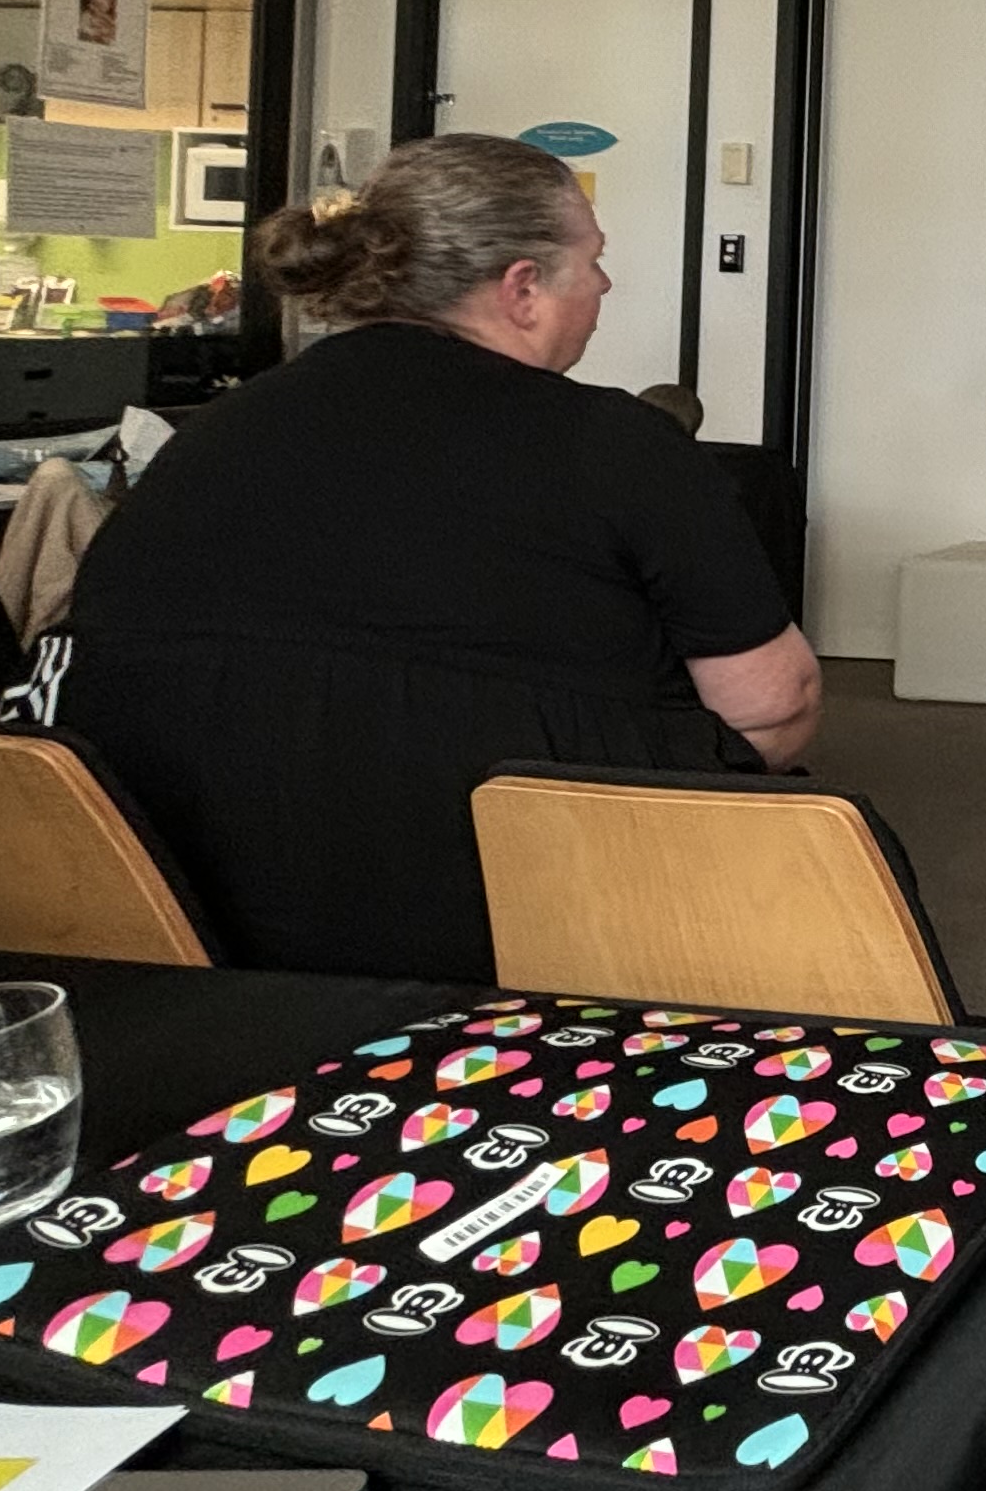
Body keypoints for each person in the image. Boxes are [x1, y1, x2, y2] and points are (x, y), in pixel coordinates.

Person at [56, 134, 818, 979]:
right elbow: (772, 711)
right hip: (520, 951)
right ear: (523, 288)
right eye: (593, 261)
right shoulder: (621, 446)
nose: (603, 286)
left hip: (171, 930)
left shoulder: (212, 434)